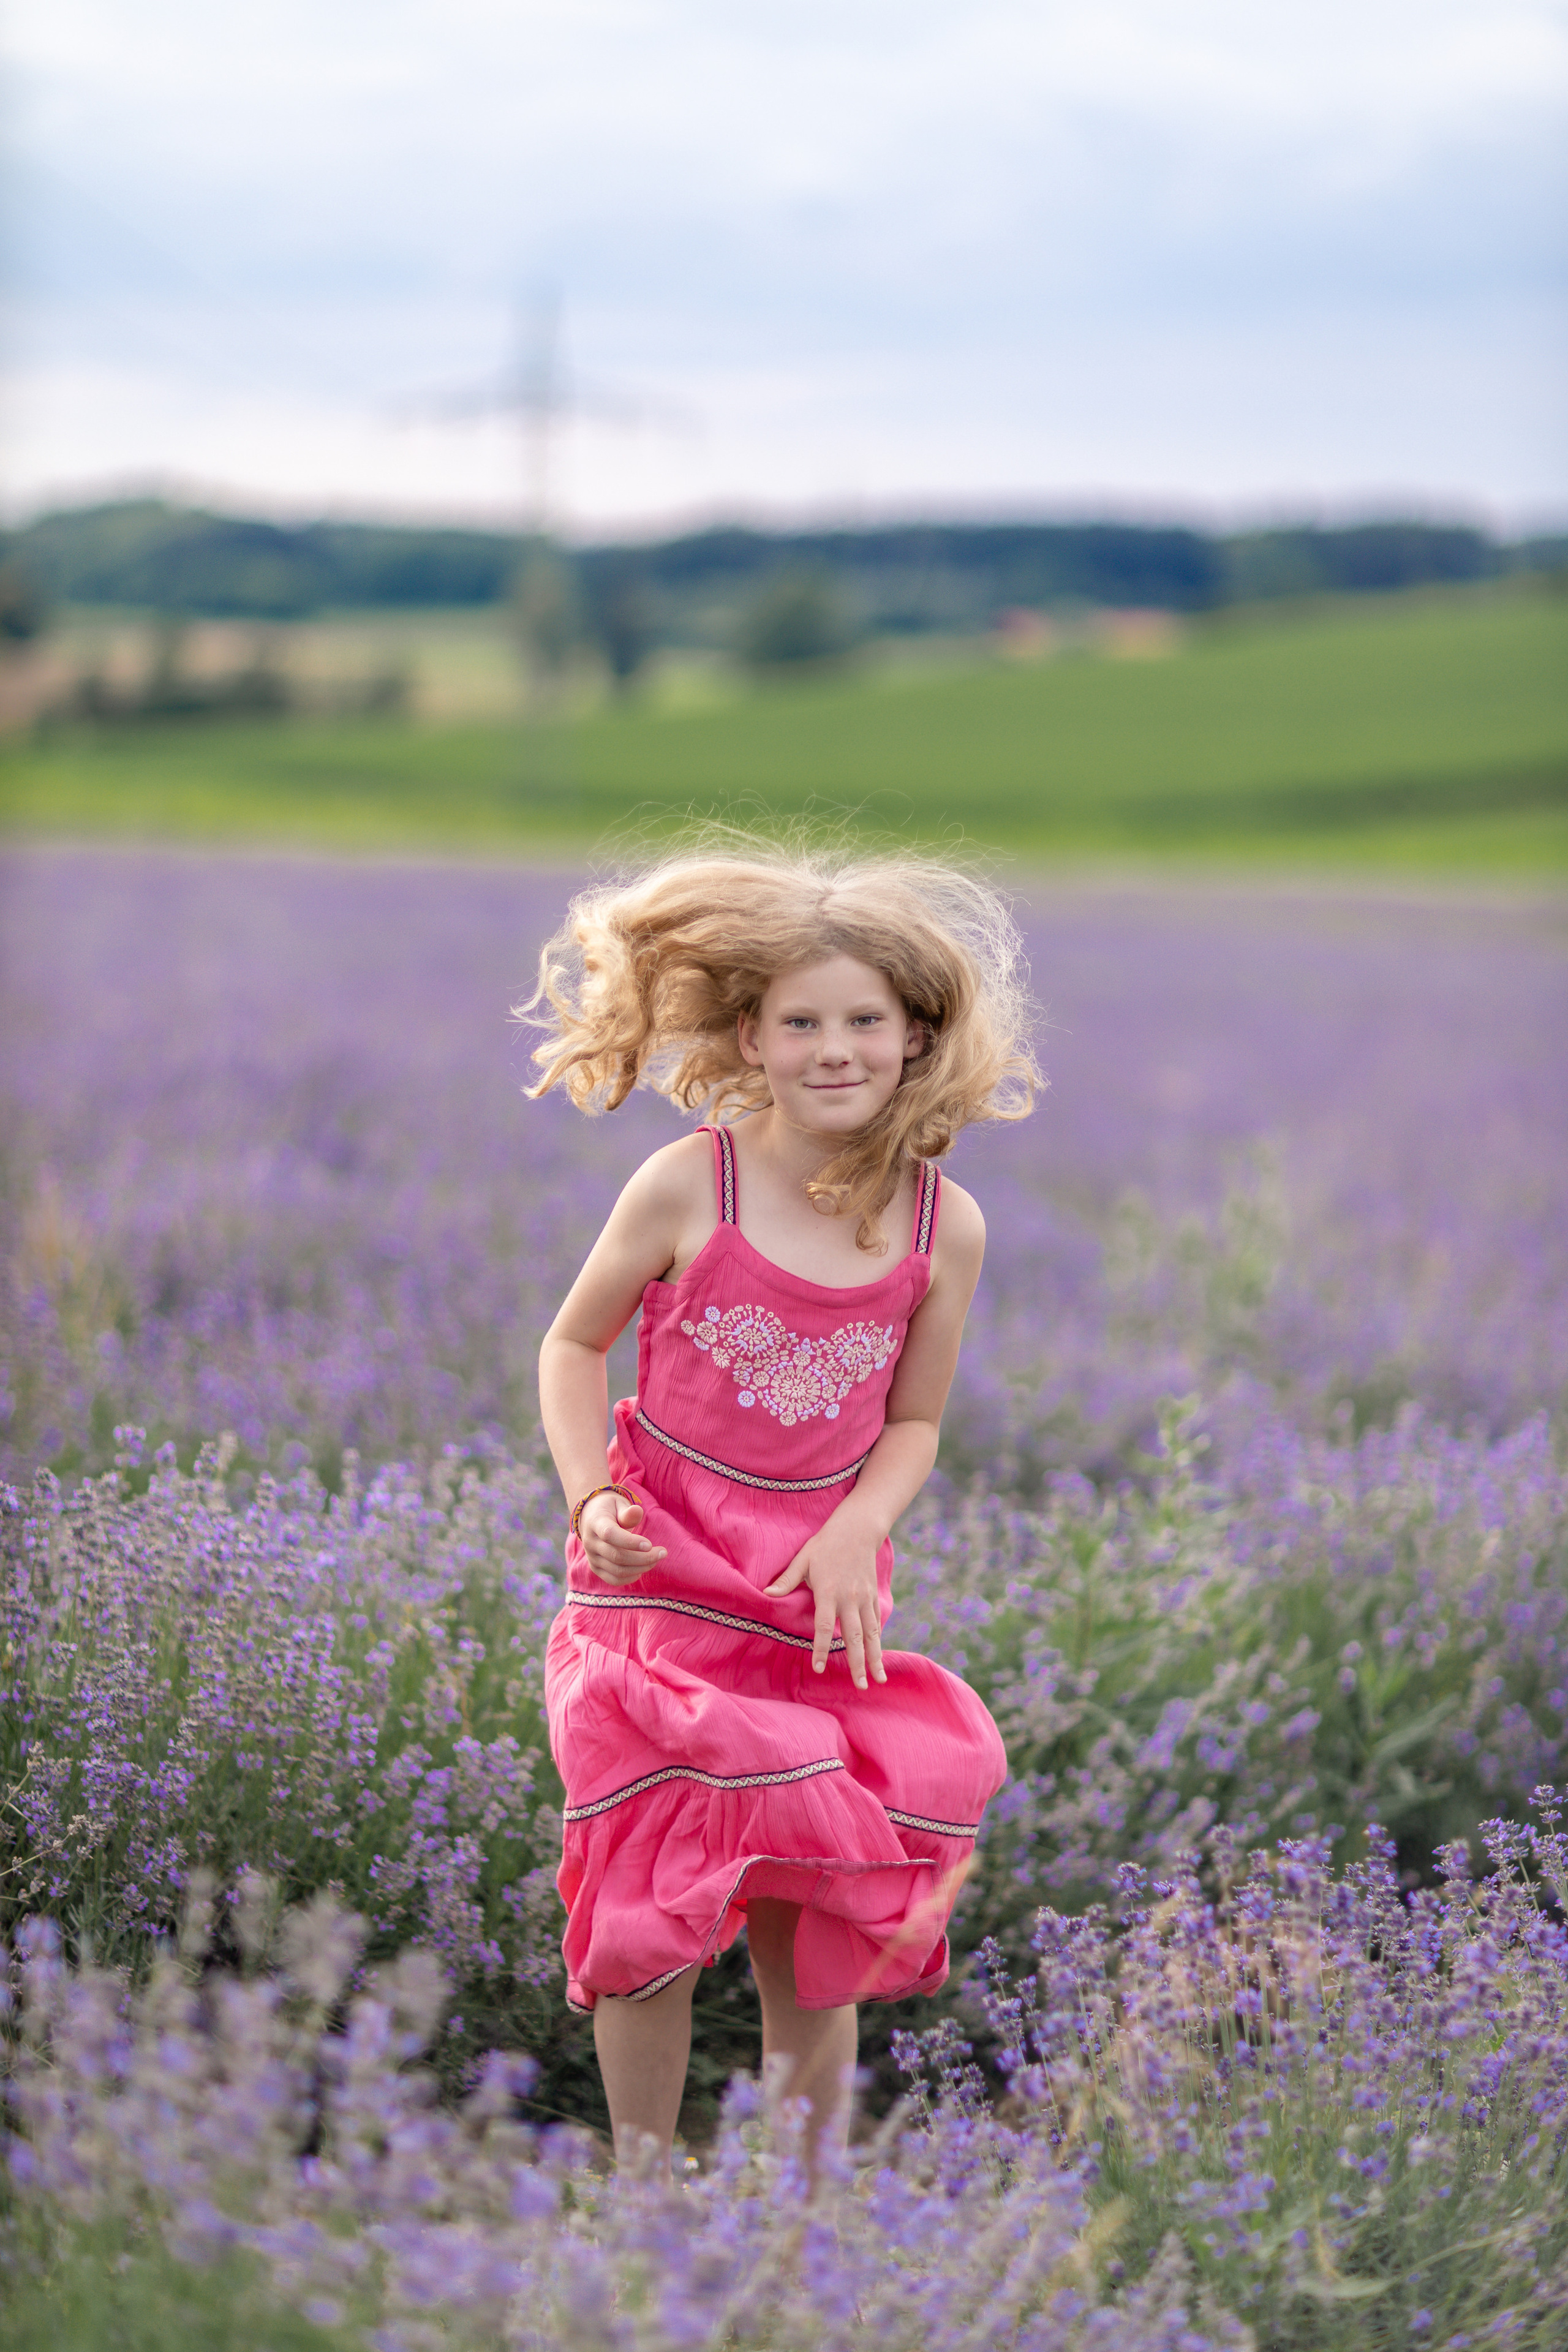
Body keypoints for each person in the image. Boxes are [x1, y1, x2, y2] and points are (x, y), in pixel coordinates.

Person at [525, 842, 1038, 2171]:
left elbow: (913, 1422)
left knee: (814, 1918)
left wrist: (863, 1525)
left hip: (815, 1599)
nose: (833, 1049)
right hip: (655, 1589)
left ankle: (796, 2217)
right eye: (800, 1021)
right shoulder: (689, 1182)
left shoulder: (943, 1223)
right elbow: (571, 1348)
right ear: (749, 1034)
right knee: (648, 1899)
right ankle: (644, 2186)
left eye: (864, 1020)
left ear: (917, 1034)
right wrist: (589, 1500)